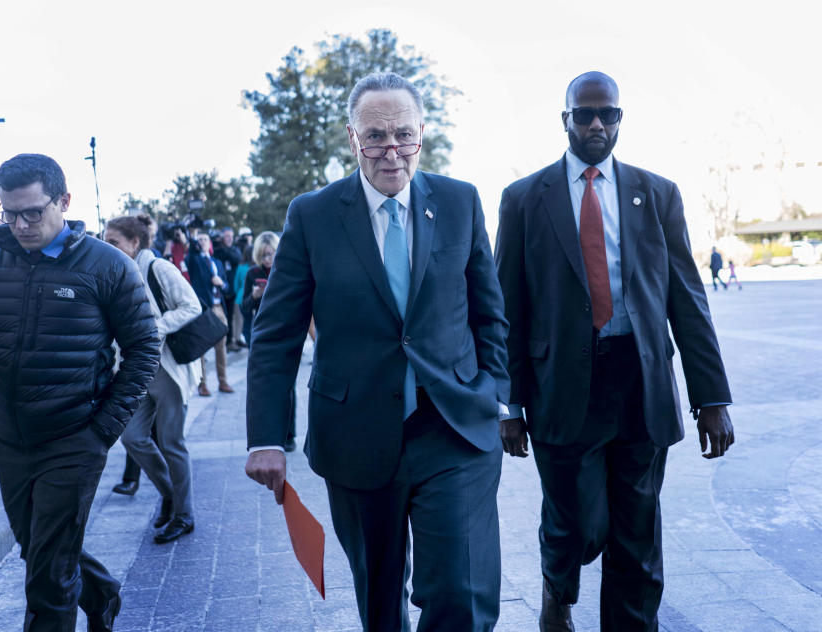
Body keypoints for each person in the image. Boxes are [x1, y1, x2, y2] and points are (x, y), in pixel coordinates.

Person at [245, 72, 511, 631]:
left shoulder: (460, 202)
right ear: (352, 139)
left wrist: (495, 393)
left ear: (422, 134)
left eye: (404, 135)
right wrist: (267, 437)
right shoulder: (312, 215)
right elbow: (276, 334)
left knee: (461, 595)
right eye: (375, 137)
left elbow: (490, 312)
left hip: (454, 428)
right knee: (380, 602)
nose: (392, 151)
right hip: (356, 436)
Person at [494, 71, 734, 632]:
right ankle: (559, 588)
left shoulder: (657, 194)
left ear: (621, 119)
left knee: (636, 533)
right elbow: (508, 307)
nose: (597, 123)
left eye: (608, 113)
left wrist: (712, 398)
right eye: (585, 114)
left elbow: (687, 300)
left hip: (639, 385)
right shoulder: (525, 199)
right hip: (560, 389)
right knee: (577, 525)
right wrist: (509, 405)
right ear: (566, 121)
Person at [0, 153, 160, 632]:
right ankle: (102, 593)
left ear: (64, 201)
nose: (20, 225)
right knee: (38, 547)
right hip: (10, 434)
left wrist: (102, 431)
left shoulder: (108, 265)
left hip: (74, 436)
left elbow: (145, 348)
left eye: (32, 212)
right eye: (8, 213)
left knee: (47, 576)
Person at [104, 214, 202, 543]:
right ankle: (170, 495)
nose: (107, 247)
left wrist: (153, 328)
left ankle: (184, 515)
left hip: (168, 369)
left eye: (113, 241)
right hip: (134, 370)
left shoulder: (158, 268)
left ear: (135, 242)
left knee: (172, 443)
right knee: (132, 438)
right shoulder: (113, 274)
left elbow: (192, 306)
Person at [242, 231, 296, 451]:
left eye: (271, 254)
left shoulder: (286, 269)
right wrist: (254, 296)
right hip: (262, 332)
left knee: (289, 386)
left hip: (287, 330)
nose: (268, 259)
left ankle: (289, 434)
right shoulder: (252, 273)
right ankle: (267, 437)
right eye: (264, 255)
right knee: (265, 384)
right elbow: (244, 308)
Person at [186, 231, 233, 396]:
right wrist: (193, 239)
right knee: (202, 347)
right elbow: (191, 252)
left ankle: (223, 381)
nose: (203, 242)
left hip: (219, 307)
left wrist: (222, 284)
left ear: (210, 243)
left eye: (205, 239)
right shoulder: (194, 260)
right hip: (204, 309)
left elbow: (227, 286)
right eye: (200, 240)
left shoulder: (217, 262)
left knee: (221, 346)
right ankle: (202, 383)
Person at [215, 227, 243, 352]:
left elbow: (237, 259)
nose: (230, 239)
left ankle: (231, 341)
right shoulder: (218, 250)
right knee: (221, 317)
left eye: (231, 236)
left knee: (231, 316)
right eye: (227, 236)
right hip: (220, 289)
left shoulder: (234, 250)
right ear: (222, 238)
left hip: (232, 288)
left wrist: (226, 250)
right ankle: (224, 342)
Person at [231, 243, 253, 349]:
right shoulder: (257, 267)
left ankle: (245, 342)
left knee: (242, 323)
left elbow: (236, 284)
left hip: (240, 298)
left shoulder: (240, 267)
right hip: (254, 298)